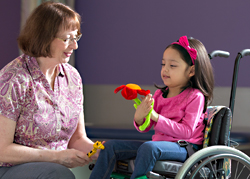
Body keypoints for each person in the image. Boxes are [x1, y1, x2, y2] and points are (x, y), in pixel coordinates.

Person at [89, 36, 214, 179]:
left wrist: (156, 117)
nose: (165, 70)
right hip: (157, 146)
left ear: (191, 71)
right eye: (163, 64)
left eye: (172, 66)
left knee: (148, 148)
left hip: (184, 148)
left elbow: (187, 132)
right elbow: (146, 127)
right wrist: (140, 117)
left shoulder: (195, 96)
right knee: (110, 146)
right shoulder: (160, 94)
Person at [0, 2, 100, 179]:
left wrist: (99, 151)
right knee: (58, 174)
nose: (74, 46)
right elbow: (2, 150)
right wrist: (56, 158)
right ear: (44, 37)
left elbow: (77, 139)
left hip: (51, 169)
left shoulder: (73, 78)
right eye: (67, 39)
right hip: (9, 168)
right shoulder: (13, 79)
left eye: (76, 37)